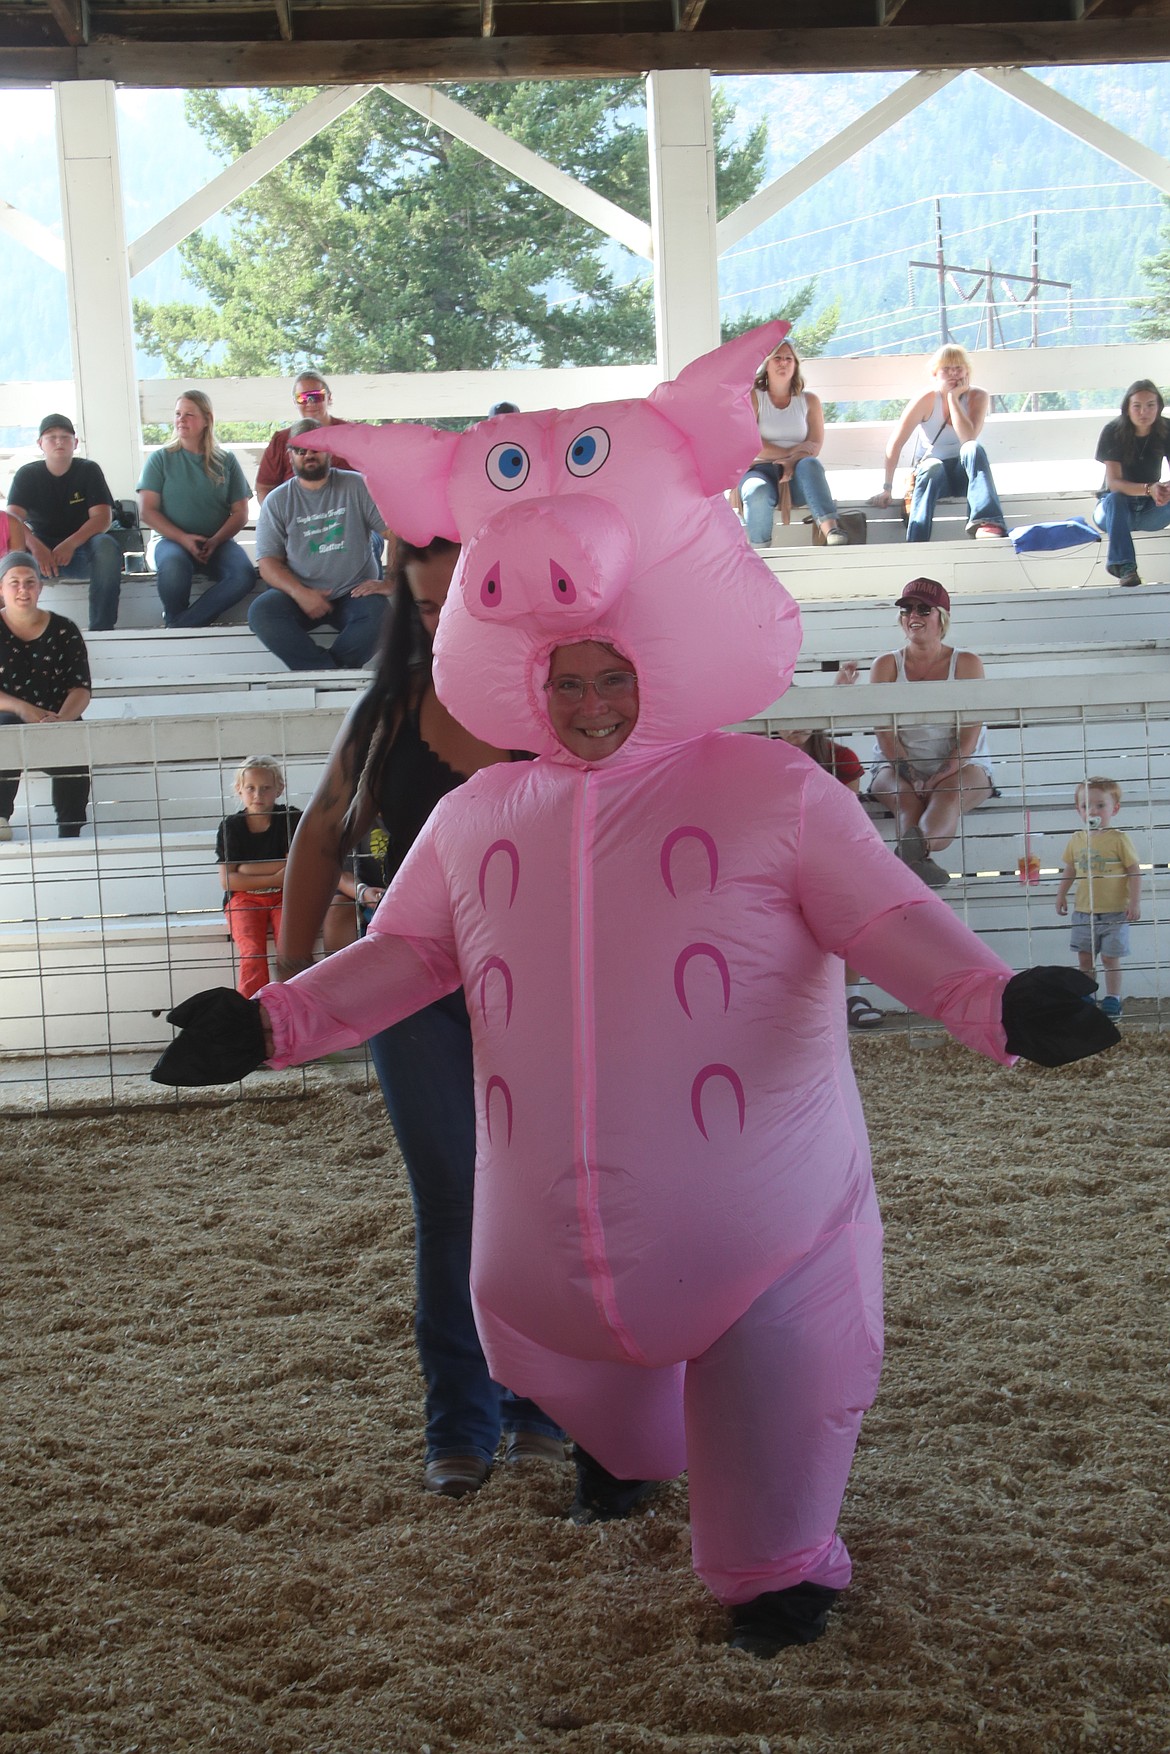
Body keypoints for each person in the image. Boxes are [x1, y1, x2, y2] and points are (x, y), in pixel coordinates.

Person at [152, 324, 1114, 1660]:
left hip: (766, 1237)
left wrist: (997, 1005)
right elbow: (407, 956)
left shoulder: (770, 792)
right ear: (525, 677)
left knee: (766, 1456)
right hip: (541, 1267)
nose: (593, 700)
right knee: (605, 1402)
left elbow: (892, 922)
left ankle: (774, 1554)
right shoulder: (484, 811)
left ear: (658, 657)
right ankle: (620, 1432)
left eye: (613, 675)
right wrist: (267, 1019)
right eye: (569, 678)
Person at [276, 536, 565, 1495]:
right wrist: (290, 972)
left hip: (551, 988)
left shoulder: (563, 704)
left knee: (550, 1199)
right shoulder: (392, 709)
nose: (447, 619)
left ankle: (544, 1406)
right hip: (417, 987)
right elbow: (324, 828)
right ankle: (462, 1422)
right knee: (451, 1204)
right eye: (429, 604)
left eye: (465, 602)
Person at [864, 578, 994, 889]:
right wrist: (911, 775)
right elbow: (884, 733)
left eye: (923, 609)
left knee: (946, 797)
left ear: (942, 617)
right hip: (894, 765)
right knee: (905, 800)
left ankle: (907, 865)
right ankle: (916, 864)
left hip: (963, 765)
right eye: (907, 609)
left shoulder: (967, 663)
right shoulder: (885, 665)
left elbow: (969, 736)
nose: (913, 616)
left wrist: (936, 778)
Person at [248, 421, 392, 672]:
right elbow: (268, 563)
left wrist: (392, 581)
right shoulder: (277, 500)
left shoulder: (357, 485)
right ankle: (329, 671)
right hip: (302, 594)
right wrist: (299, 593)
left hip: (354, 592)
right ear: (290, 455)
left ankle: (324, 672)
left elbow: (396, 533)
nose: (308, 455)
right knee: (262, 613)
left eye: (314, 448)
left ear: (329, 450)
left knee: (381, 615)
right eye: (300, 450)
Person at [778, 724, 882, 1029]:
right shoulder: (755, 754)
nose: (794, 726)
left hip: (830, 851)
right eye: (787, 717)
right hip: (776, 853)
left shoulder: (841, 757)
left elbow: (847, 819)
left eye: (802, 716)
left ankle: (852, 996)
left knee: (849, 902)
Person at [137, 391, 256, 628]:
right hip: (170, 540)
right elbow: (147, 511)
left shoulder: (225, 460)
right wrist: (184, 539)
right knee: (173, 569)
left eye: (189, 414)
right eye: (178, 414)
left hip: (217, 542)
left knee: (243, 576)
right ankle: (176, 618)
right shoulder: (160, 459)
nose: (181, 419)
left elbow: (241, 512)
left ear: (206, 420)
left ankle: (180, 626)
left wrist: (215, 540)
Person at [868, 344, 1008, 543]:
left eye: (958, 368)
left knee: (973, 448)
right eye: (946, 369)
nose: (953, 374)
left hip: (965, 475)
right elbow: (896, 442)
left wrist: (953, 398)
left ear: (967, 372)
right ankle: (917, 540)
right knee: (932, 467)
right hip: (935, 477)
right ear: (935, 374)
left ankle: (987, 522)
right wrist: (887, 487)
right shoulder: (926, 399)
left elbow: (967, 438)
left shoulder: (978, 396)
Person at [0, 551, 91, 841]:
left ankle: (70, 831)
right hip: (8, 720)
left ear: (40, 587)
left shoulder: (64, 629)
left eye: (30, 582)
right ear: (1, 588)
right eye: (14, 582)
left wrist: (62, 719)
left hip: (55, 719)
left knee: (75, 741)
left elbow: (80, 688)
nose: (23, 589)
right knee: (6, 730)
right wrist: (22, 709)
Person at [7, 414, 123, 632]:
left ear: (75, 443)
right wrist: (36, 547)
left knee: (106, 547)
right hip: (39, 553)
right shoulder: (27, 475)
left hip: (81, 550)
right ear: (40, 444)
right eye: (51, 437)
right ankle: (15, 629)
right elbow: (11, 521)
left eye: (65, 437)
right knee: (10, 554)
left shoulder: (89, 470)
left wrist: (71, 544)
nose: (58, 442)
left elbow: (102, 518)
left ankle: (102, 628)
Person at [738, 339, 849, 547]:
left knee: (810, 464)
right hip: (760, 469)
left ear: (795, 365)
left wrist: (793, 462)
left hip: (799, 472)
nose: (783, 363)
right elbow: (751, 443)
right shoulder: (754, 398)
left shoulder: (809, 401)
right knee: (756, 491)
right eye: (777, 358)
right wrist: (791, 453)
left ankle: (831, 530)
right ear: (767, 364)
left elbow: (814, 444)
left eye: (789, 359)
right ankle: (760, 552)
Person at [215, 757, 303, 998]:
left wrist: (245, 870)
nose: (258, 794)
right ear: (239, 790)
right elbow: (228, 881)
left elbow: (295, 868)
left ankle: (293, 1003)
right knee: (252, 952)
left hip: (284, 896)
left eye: (266, 788)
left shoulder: (290, 818)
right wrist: (276, 877)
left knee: (291, 951)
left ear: (279, 789)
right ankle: (251, 1010)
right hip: (243, 899)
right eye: (250, 788)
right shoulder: (231, 826)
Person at [1055, 778, 1141, 1024]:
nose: (1092, 811)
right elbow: (1070, 869)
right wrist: (1061, 894)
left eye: (1100, 805)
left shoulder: (1118, 839)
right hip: (1084, 911)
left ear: (1114, 809)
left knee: (1110, 958)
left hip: (1114, 913)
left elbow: (1134, 870)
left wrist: (1134, 902)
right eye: (1086, 806)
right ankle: (1086, 997)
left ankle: (1113, 998)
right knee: (1085, 957)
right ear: (1078, 810)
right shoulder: (1076, 839)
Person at [1091, 379, 1170, 588]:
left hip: (1151, 510)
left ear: (1159, 407)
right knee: (1115, 499)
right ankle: (1124, 567)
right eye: (1137, 406)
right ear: (1127, 407)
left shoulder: (1166, 428)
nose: (1144, 412)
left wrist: (1165, 489)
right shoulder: (1113, 431)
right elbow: (1114, 483)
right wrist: (1148, 489)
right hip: (1114, 511)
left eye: (1150, 405)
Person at [255, 372, 358, 503]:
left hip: (349, 515)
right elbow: (265, 487)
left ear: (329, 397)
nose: (310, 403)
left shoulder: (352, 435)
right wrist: (277, 519)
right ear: (295, 402)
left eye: (317, 396)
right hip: (296, 518)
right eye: (302, 398)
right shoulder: (281, 441)